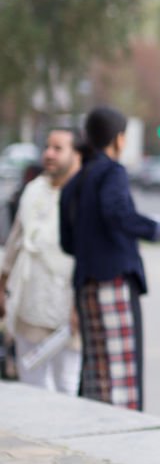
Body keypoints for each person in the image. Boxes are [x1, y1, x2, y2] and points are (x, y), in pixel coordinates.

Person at [59, 106, 160, 410]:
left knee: (96, 373)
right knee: (121, 375)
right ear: (118, 139)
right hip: (113, 280)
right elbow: (118, 213)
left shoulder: (74, 182)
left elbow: (67, 243)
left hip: (85, 282)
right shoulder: (111, 171)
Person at [0, 129, 82, 394]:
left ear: (76, 154)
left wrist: (80, 304)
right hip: (30, 305)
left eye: (58, 148)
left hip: (69, 310)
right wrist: (2, 284)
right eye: (47, 147)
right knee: (31, 388)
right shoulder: (32, 191)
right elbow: (15, 241)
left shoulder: (84, 196)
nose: (49, 154)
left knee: (67, 388)